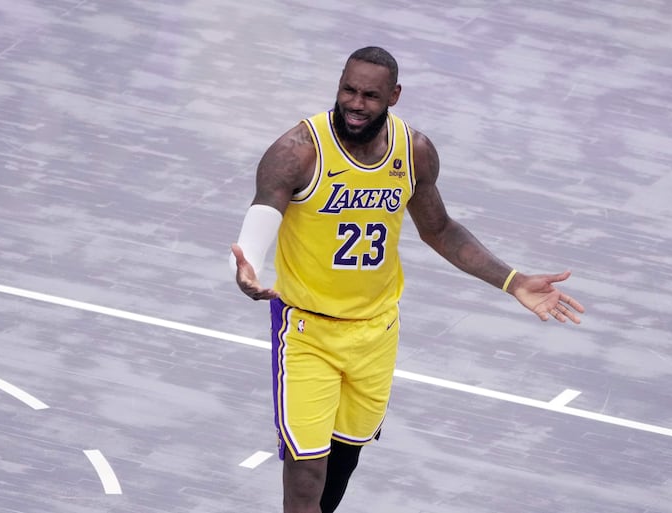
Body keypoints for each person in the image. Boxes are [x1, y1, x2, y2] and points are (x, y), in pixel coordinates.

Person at [230, 46, 585, 513]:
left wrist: (513, 281)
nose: (356, 104)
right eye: (348, 90)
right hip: (306, 332)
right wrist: (247, 269)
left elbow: (439, 229)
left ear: (394, 96)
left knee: (340, 466)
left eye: (370, 95)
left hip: (376, 332)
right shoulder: (297, 151)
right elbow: (261, 216)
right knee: (305, 472)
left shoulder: (413, 151)